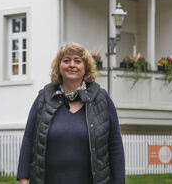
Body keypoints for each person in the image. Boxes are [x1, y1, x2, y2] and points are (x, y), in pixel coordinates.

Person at [17, 42, 125, 184]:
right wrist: (23, 179)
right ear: (59, 66)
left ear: (86, 68)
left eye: (78, 61)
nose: (72, 65)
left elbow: (115, 145)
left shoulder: (101, 99)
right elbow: (29, 139)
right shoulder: (44, 98)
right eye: (66, 60)